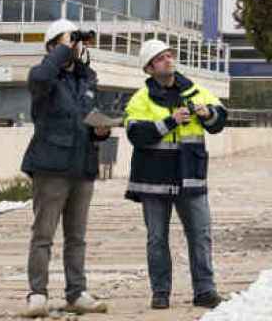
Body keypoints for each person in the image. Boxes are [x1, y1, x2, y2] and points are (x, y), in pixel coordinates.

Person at [124, 38, 229, 310]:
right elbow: (136, 133)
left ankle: (205, 291)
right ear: (149, 68)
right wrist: (171, 121)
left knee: (201, 235)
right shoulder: (140, 99)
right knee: (157, 239)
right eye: (160, 58)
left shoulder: (195, 91)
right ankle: (160, 293)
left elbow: (220, 121)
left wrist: (208, 114)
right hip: (154, 181)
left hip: (190, 176)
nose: (168, 59)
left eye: (170, 55)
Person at [18, 18, 111, 318]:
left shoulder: (87, 79)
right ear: (52, 47)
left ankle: (76, 292)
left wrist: (102, 131)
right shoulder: (43, 77)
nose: (74, 46)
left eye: (76, 41)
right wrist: (60, 50)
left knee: (77, 236)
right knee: (43, 234)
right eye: (68, 41)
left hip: (82, 165)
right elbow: (43, 77)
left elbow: (89, 115)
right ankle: (37, 293)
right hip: (50, 166)